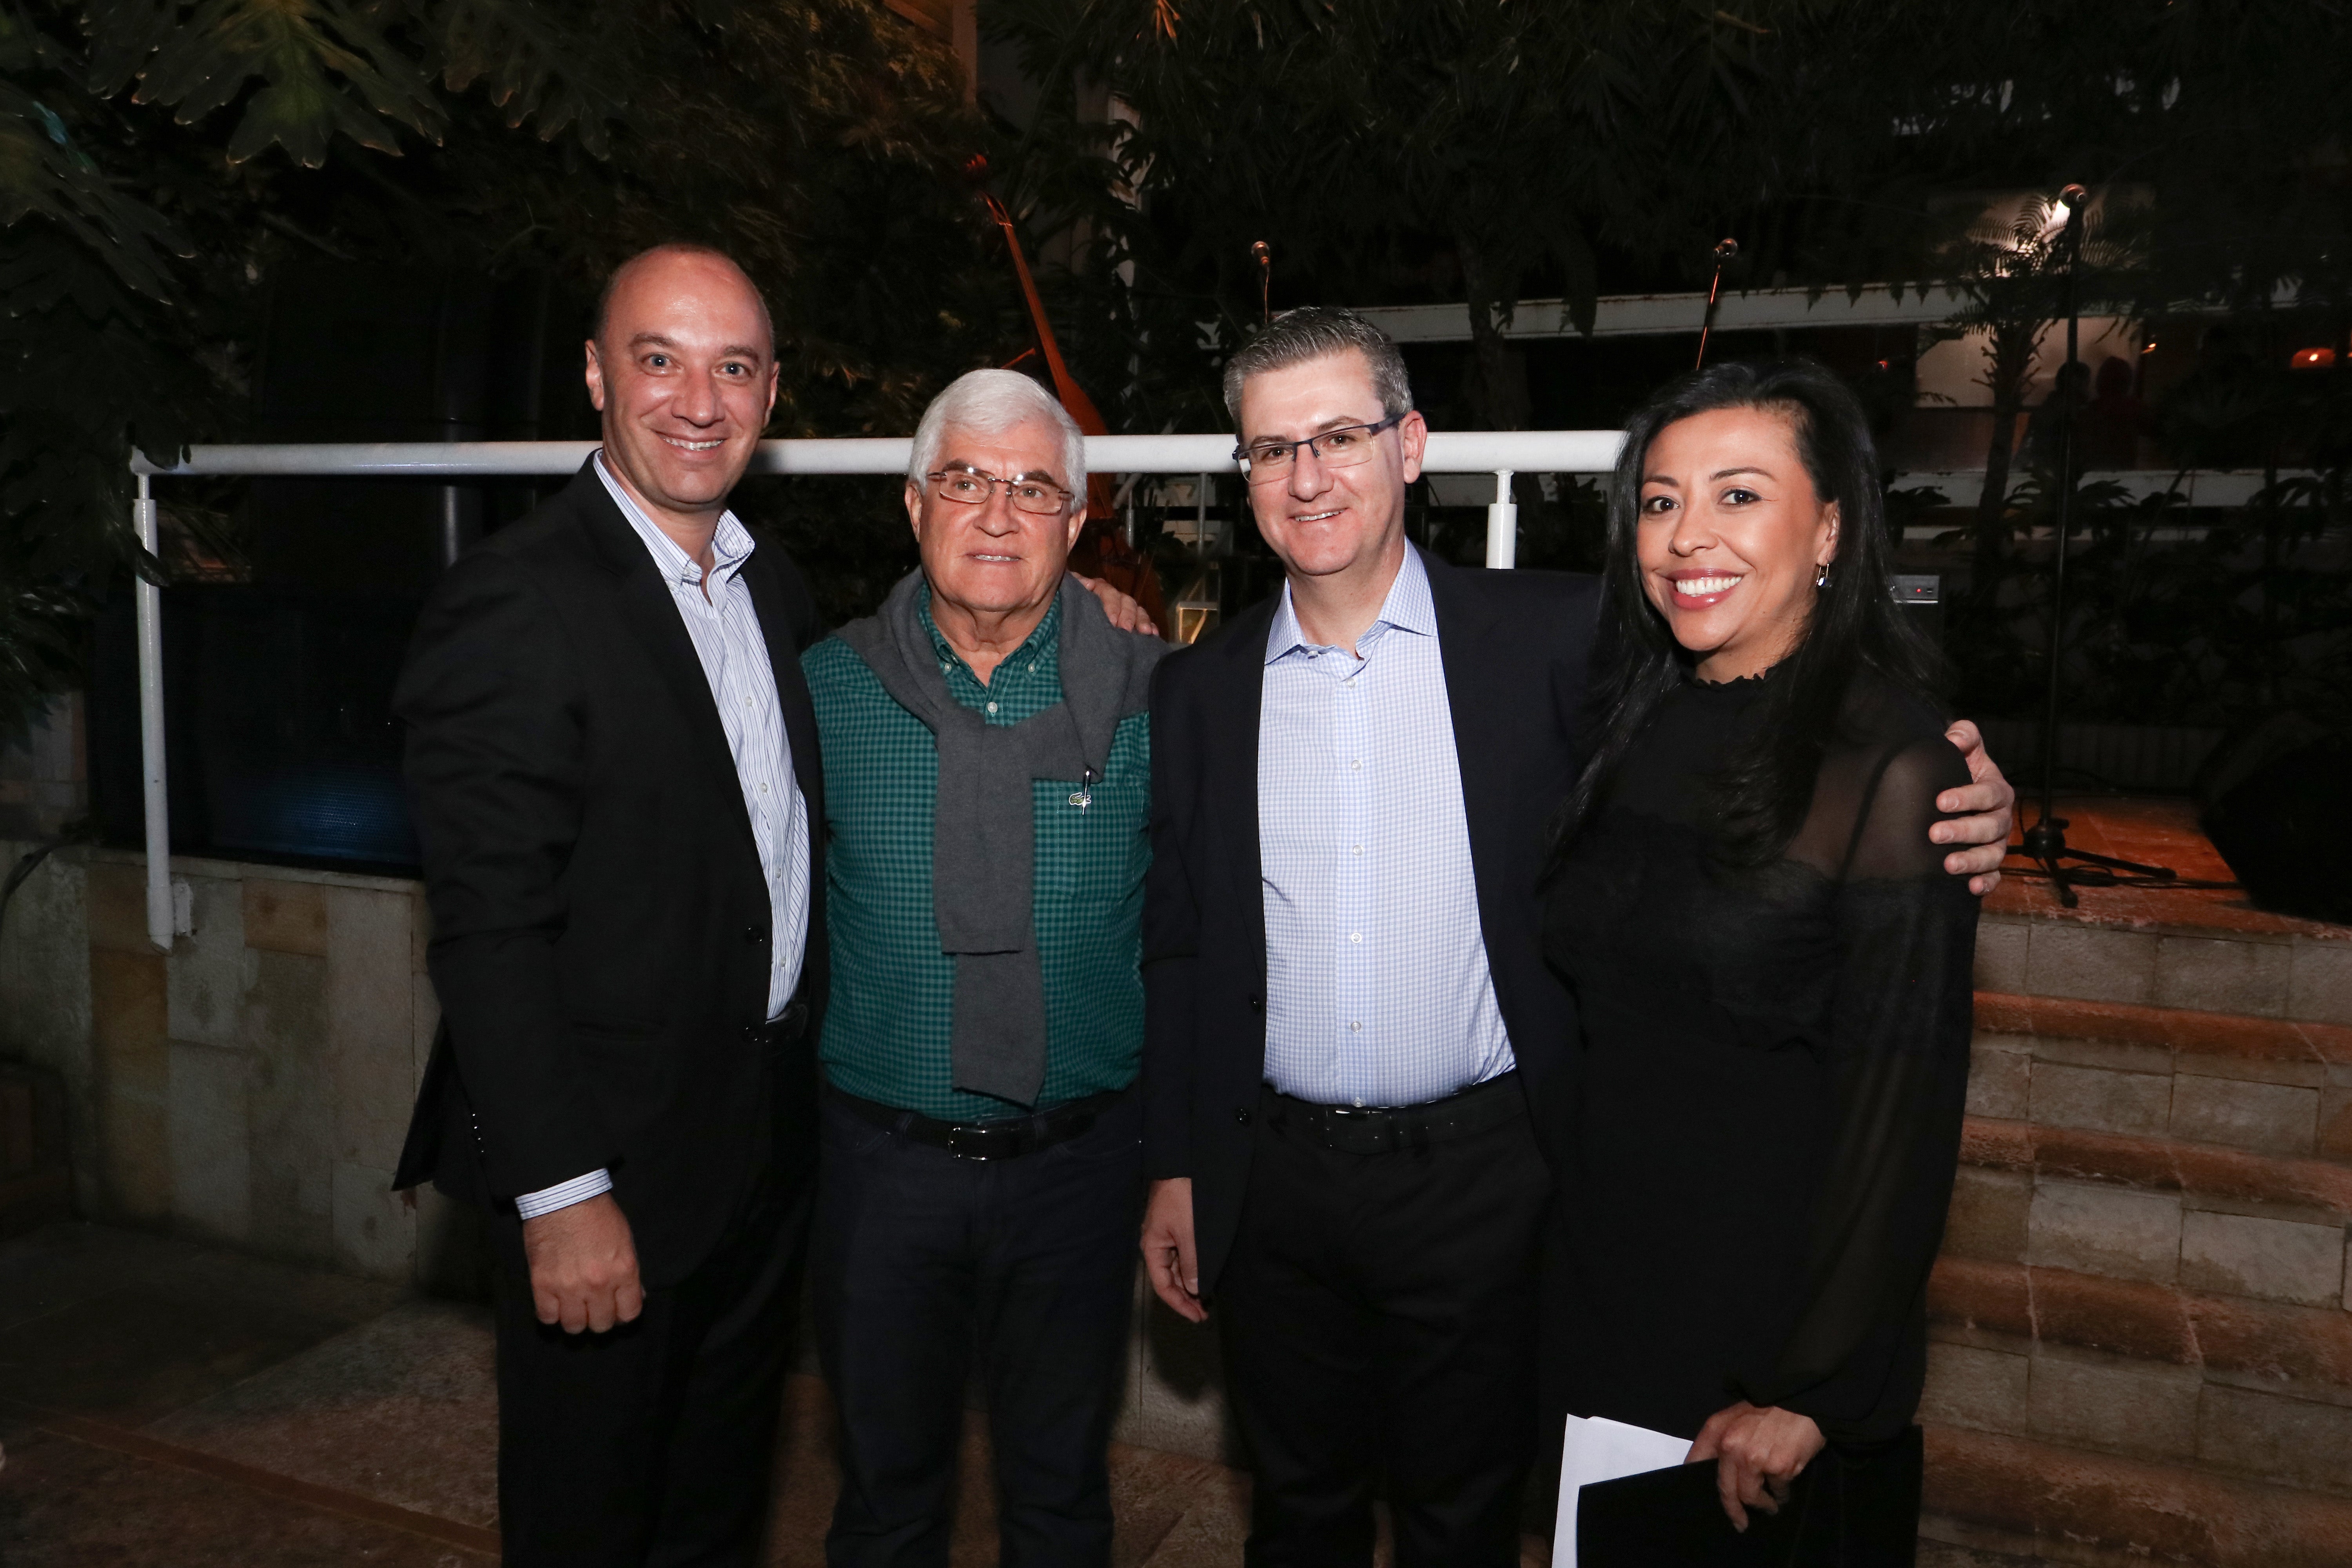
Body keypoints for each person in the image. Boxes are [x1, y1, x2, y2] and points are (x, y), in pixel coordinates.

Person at [1138, 309, 2016, 1566]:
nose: (1308, 475)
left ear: (1411, 446)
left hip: (1492, 1178)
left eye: (1339, 436)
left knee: (1467, 1519)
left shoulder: (1558, 641)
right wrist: (1178, 1161)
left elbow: (1787, 699)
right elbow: (1180, 938)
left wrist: (1962, 788)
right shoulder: (1197, 689)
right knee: (1297, 1513)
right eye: (1273, 450)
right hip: (1277, 1186)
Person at [392, 243, 827, 1566]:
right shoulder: (513, 602)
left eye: (733, 366)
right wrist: (561, 1193)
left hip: (756, 1166)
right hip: (609, 1183)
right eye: (659, 359)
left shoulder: (771, 588)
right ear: (595, 375)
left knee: (713, 1517)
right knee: (587, 1524)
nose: (698, 400)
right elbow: (489, 933)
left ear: (770, 394)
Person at [1540, 360, 1981, 1561]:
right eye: (1662, 501)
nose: (1690, 536)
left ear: (1830, 527)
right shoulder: (1626, 718)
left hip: (1764, 1330)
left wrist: (1815, 1389)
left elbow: (1902, 1106)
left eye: (1739, 495)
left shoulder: (1895, 770)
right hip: (1603, 1284)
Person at [801, 368, 1166, 1568]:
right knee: (886, 1504)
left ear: (1077, 521)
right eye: (965, 480)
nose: (999, 514)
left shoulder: (1156, 695)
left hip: (1081, 1172)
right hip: (881, 1170)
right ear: (915, 504)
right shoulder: (824, 692)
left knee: (1059, 1501)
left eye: (1033, 489)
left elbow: (1203, 933)